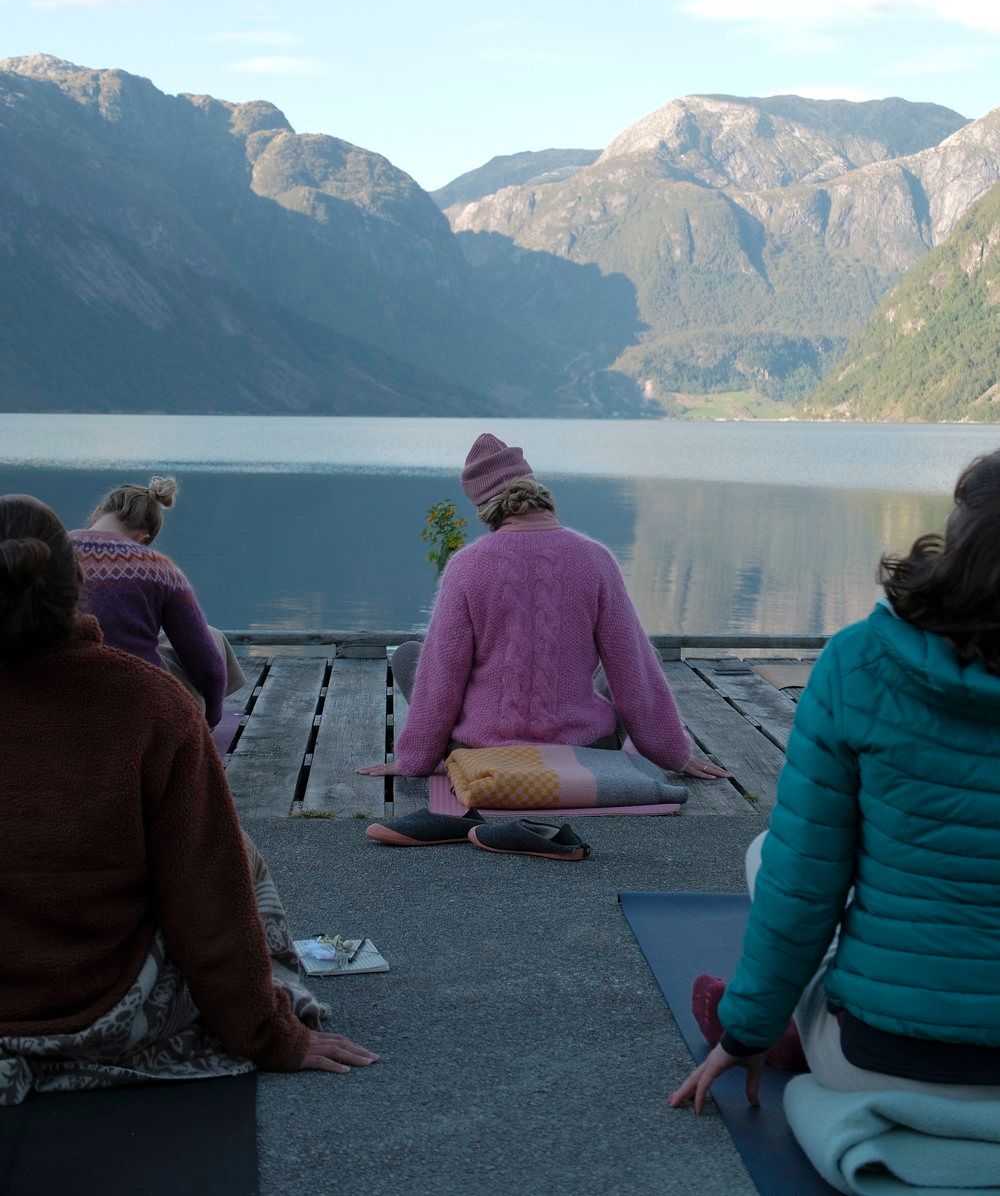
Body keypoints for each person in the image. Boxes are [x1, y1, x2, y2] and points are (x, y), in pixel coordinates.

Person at [0, 495, 377, 1101]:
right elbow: (208, 898)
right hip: (97, 1006)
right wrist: (270, 1035)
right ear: (77, 583)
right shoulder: (152, 706)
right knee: (232, 852)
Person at [670, 449, 1000, 1116]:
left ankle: (782, 1031)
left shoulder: (859, 664)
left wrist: (745, 1032)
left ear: (959, 542)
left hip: (888, 1066)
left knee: (776, 854)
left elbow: (803, 890)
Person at [365, 433, 728, 781]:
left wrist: (415, 760)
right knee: (635, 656)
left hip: (482, 751)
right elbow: (634, 671)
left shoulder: (466, 566)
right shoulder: (594, 559)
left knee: (412, 655)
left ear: (482, 505)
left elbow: (442, 677)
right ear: (535, 490)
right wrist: (674, 754)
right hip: (588, 749)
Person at [70, 476, 238, 730]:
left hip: (58, 689)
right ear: (143, 539)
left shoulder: (49, 552)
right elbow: (208, 669)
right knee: (212, 637)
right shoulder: (158, 569)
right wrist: (211, 717)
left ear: (97, 513)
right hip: (137, 701)